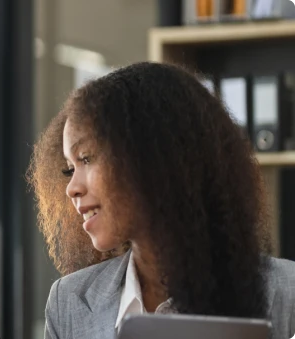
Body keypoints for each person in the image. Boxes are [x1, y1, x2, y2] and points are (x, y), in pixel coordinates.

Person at [29, 62, 295, 339]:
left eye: (86, 158)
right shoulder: (68, 301)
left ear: (152, 158)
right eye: (70, 168)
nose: (71, 188)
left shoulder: (289, 293)